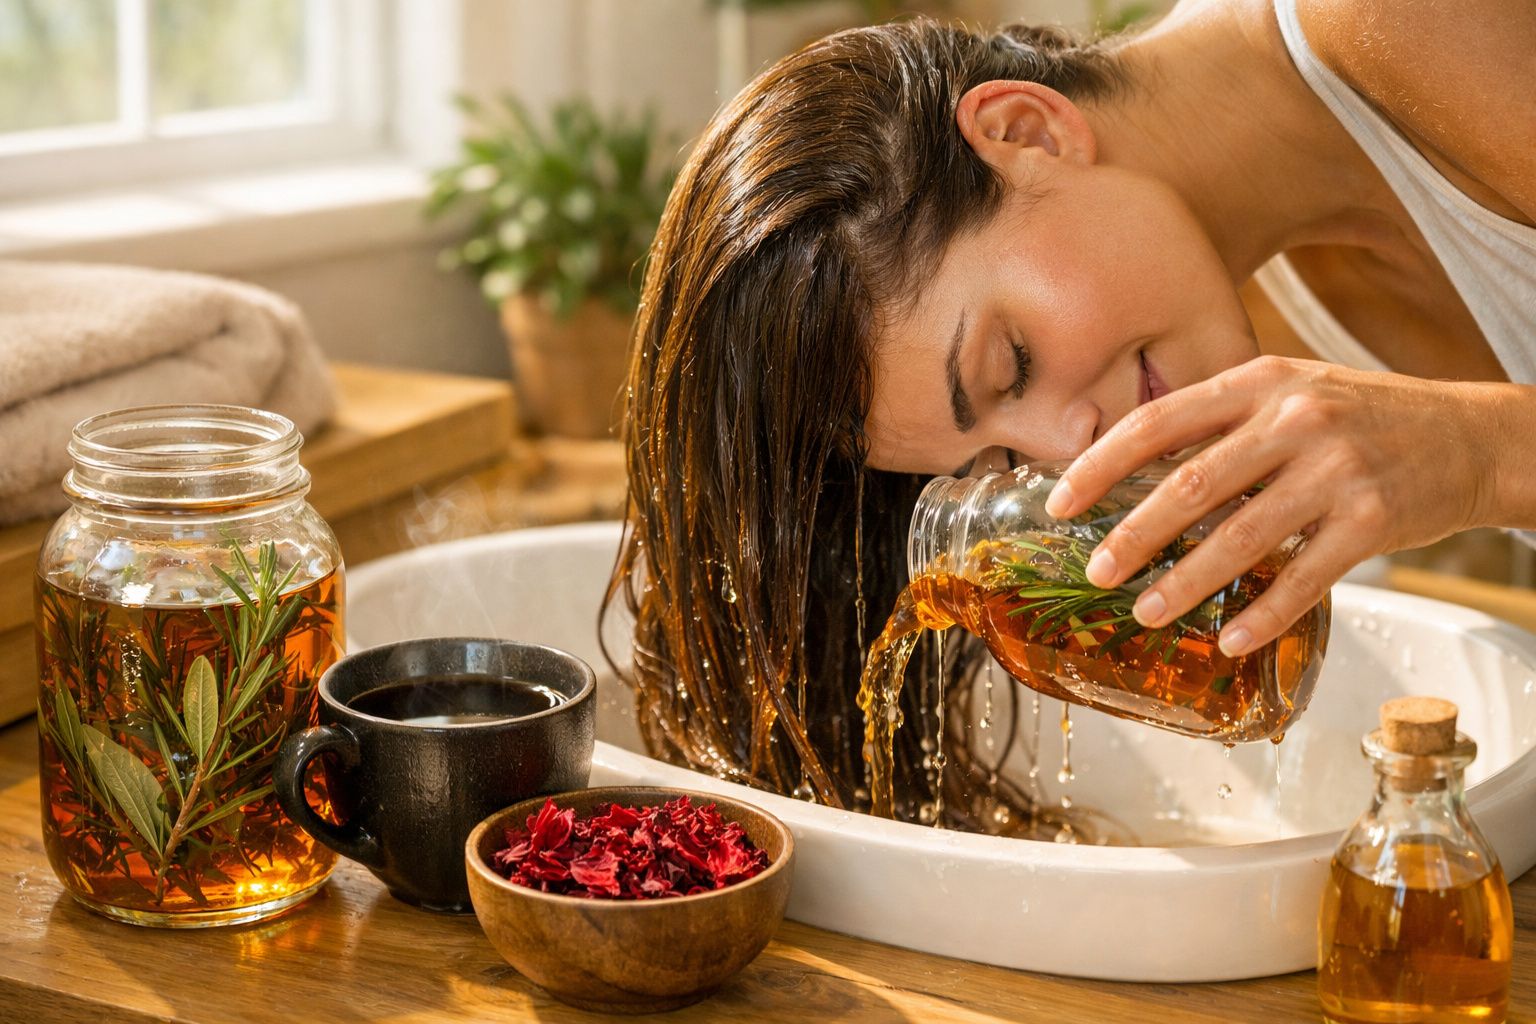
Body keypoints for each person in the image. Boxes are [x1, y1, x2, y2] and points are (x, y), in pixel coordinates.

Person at [603, 0, 1536, 822]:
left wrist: (1483, 455)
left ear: (1028, 131)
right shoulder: (1247, 321)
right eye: (999, 461)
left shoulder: (1405, 20)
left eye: (1012, 365)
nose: (1068, 452)